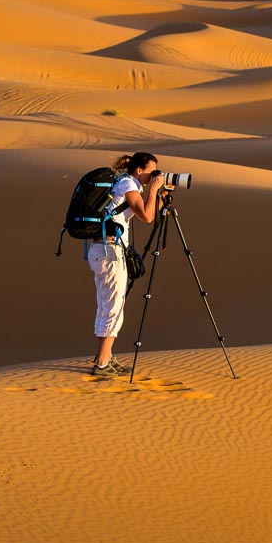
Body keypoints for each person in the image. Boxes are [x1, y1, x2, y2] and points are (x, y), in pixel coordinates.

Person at [88, 151, 164, 377]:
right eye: (151, 171)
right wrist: (153, 190)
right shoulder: (128, 184)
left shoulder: (123, 182)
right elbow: (147, 217)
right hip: (109, 252)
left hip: (103, 251)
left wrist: (159, 194)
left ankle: (106, 357)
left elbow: (150, 211)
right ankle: (102, 363)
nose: (154, 175)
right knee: (113, 308)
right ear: (139, 170)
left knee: (107, 306)